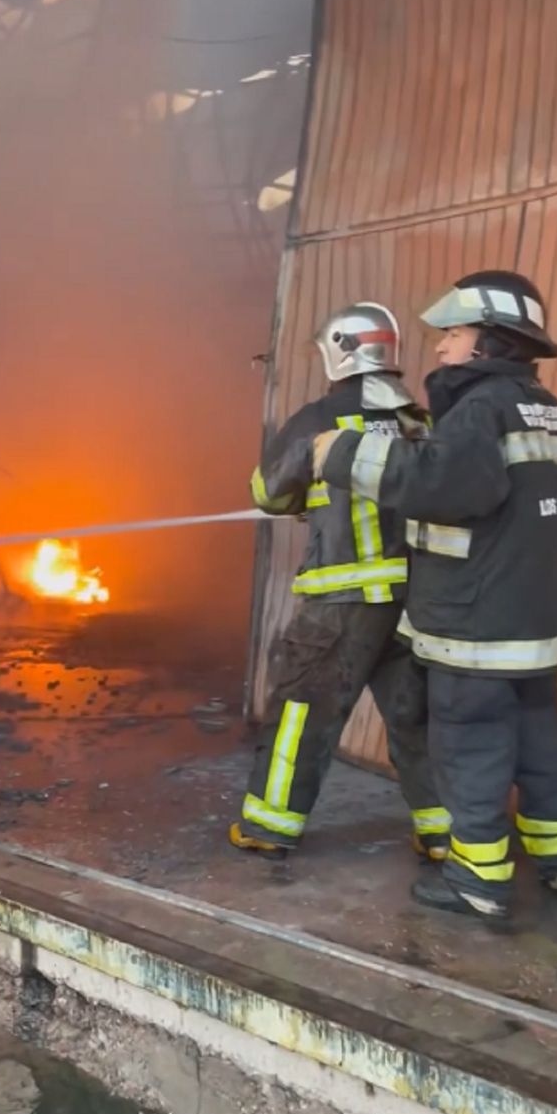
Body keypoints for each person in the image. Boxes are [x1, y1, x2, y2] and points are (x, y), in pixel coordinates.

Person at [314, 271, 557, 919]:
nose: (441, 348)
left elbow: (441, 486)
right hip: (537, 624)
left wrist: (342, 453)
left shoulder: (479, 411)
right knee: (538, 737)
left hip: (476, 629)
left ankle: (478, 880)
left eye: (453, 333)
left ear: (488, 343)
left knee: (469, 745)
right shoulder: (555, 411)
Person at [229, 302, 450, 861]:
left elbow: (267, 492)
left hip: (341, 602)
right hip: (412, 605)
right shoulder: (418, 423)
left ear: (340, 351)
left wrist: (305, 498)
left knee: (302, 709)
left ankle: (268, 826)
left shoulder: (320, 419)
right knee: (416, 718)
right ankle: (444, 833)